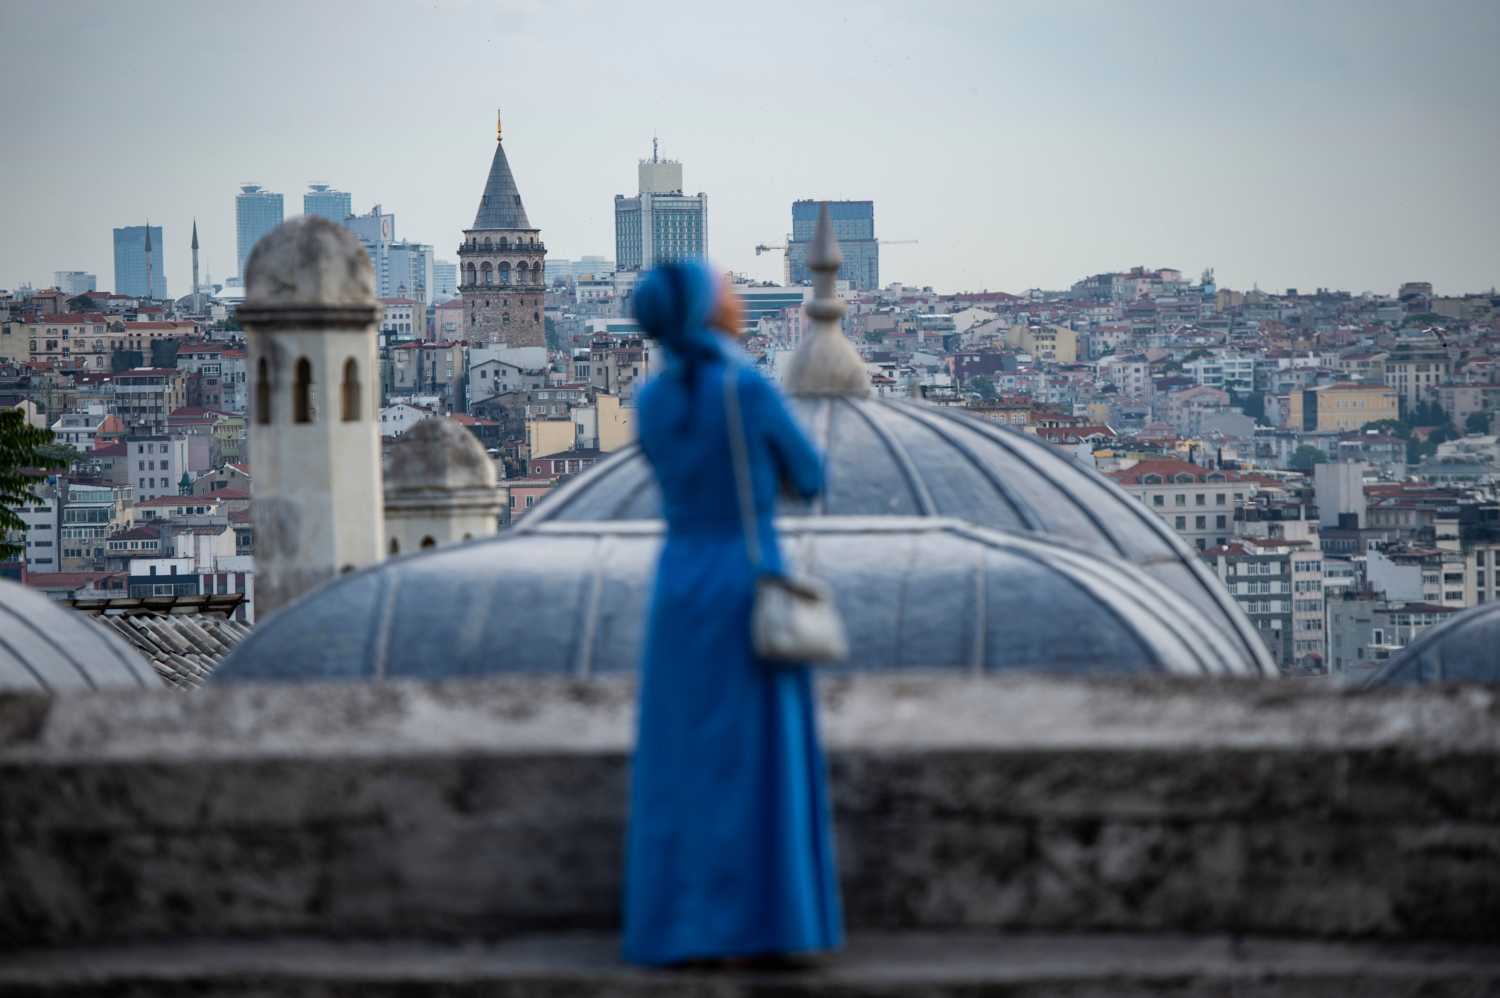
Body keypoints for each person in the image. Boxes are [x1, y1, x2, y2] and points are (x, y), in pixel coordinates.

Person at [622, 260, 844, 968]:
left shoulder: (652, 399)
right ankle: (772, 923)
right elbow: (808, 477)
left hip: (679, 582)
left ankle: (681, 927)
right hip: (747, 580)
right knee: (759, 758)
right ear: (704, 310)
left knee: (683, 756)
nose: (737, 296)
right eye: (725, 289)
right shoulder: (743, 385)